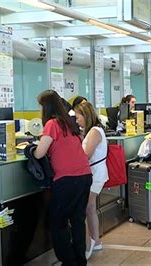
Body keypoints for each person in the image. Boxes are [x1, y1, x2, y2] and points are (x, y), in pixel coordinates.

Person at [33, 90, 92, 266]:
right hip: (84, 176)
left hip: (67, 179)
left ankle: (68, 261)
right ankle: (79, 261)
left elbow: (39, 153)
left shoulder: (52, 124)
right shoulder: (69, 123)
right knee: (77, 220)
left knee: (57, 222)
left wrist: (33, 148)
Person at [73, 101, 108, 260]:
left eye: (78, 117)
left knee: (86, 207)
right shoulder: (91, 131)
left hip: (95, 174)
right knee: (90, 207)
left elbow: (85, 155)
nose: (77, 120)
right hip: (95, 173)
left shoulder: (94, 131)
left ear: (85, 115)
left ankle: (88, 244)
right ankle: (96, 241)